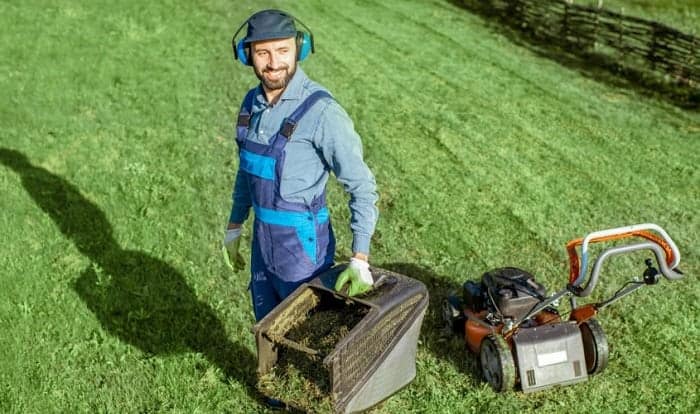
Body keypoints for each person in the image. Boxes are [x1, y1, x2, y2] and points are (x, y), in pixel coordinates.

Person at [223, 9, 379, 321]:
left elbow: (361, 186)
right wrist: (235, 224)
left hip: (303, 250)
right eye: (262, 52)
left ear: (300, 49)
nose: (274, 62)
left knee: (307, 331)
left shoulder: (322, 112)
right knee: (266, 323)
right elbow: (247, 170)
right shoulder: (250, 106)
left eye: (283, 50)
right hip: (262, 244)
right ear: (246, 55)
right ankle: (267, 371)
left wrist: (360, 257)